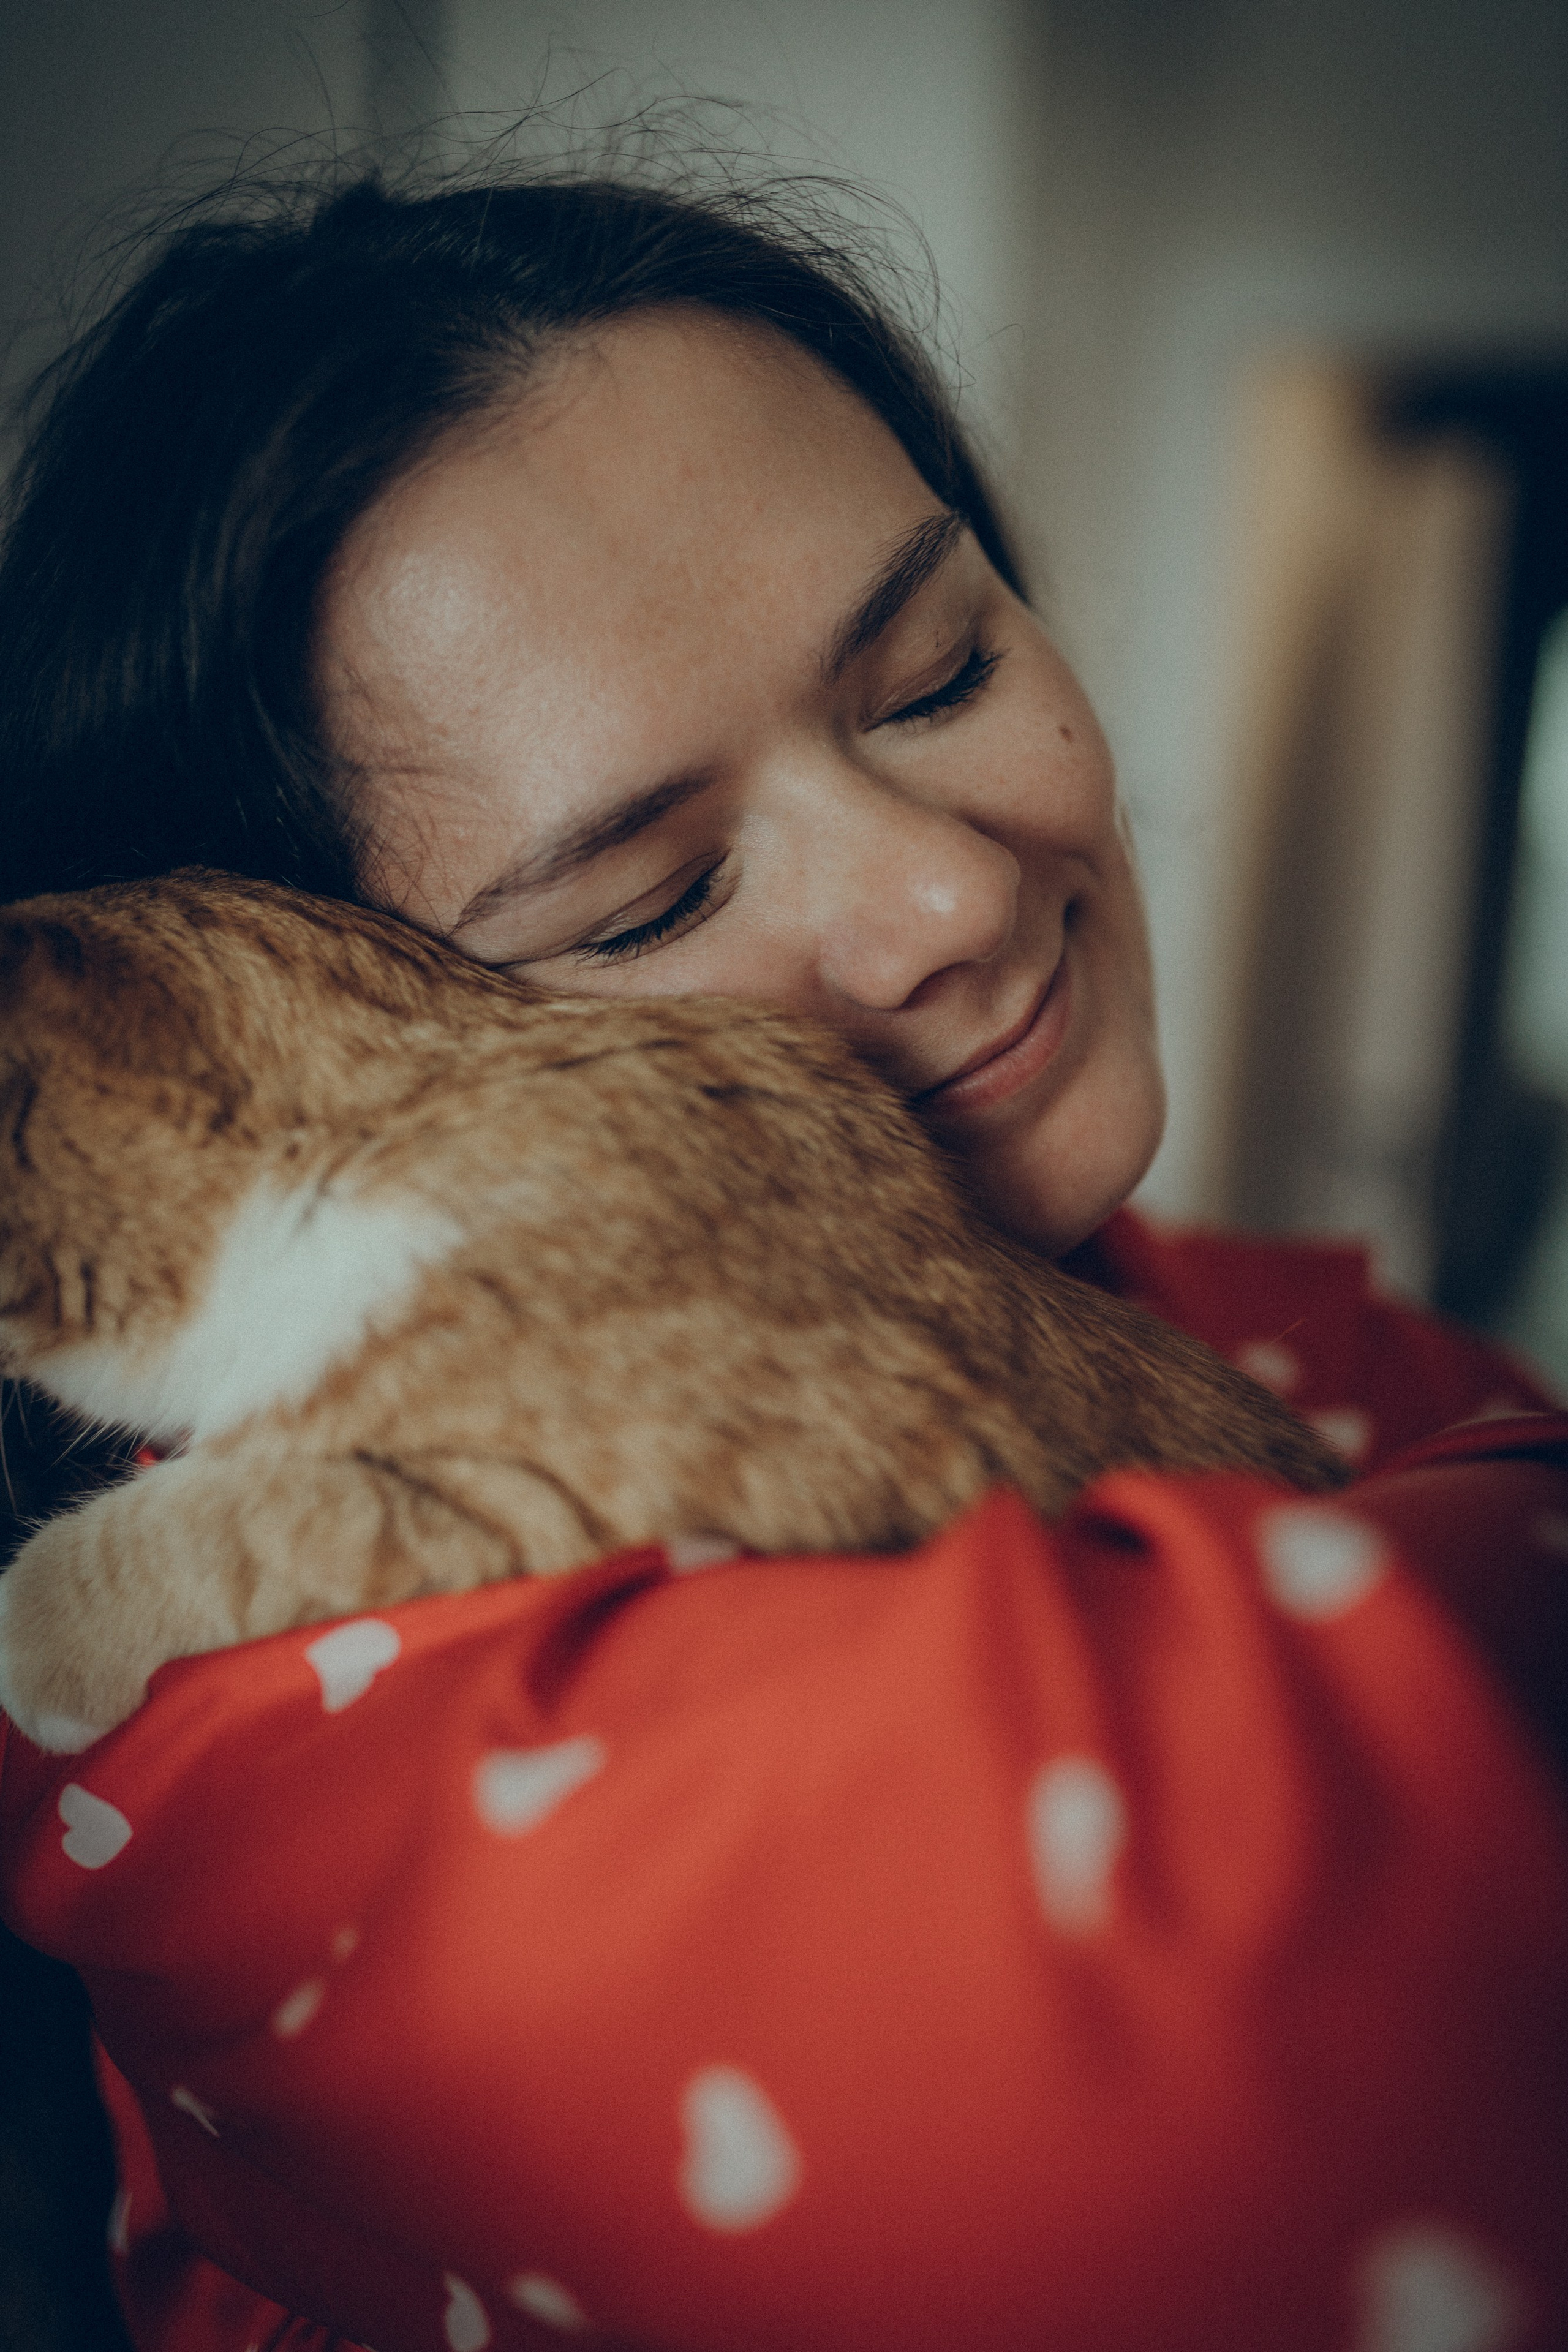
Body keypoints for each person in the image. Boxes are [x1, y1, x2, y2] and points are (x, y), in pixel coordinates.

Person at [1, 167, 1565, 2352]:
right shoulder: (241, 1706)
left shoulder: (1259, 1316)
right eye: (645, 906)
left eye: (937, 670)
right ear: (300, 1064)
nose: (942, 897)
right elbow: (1314, 2091)